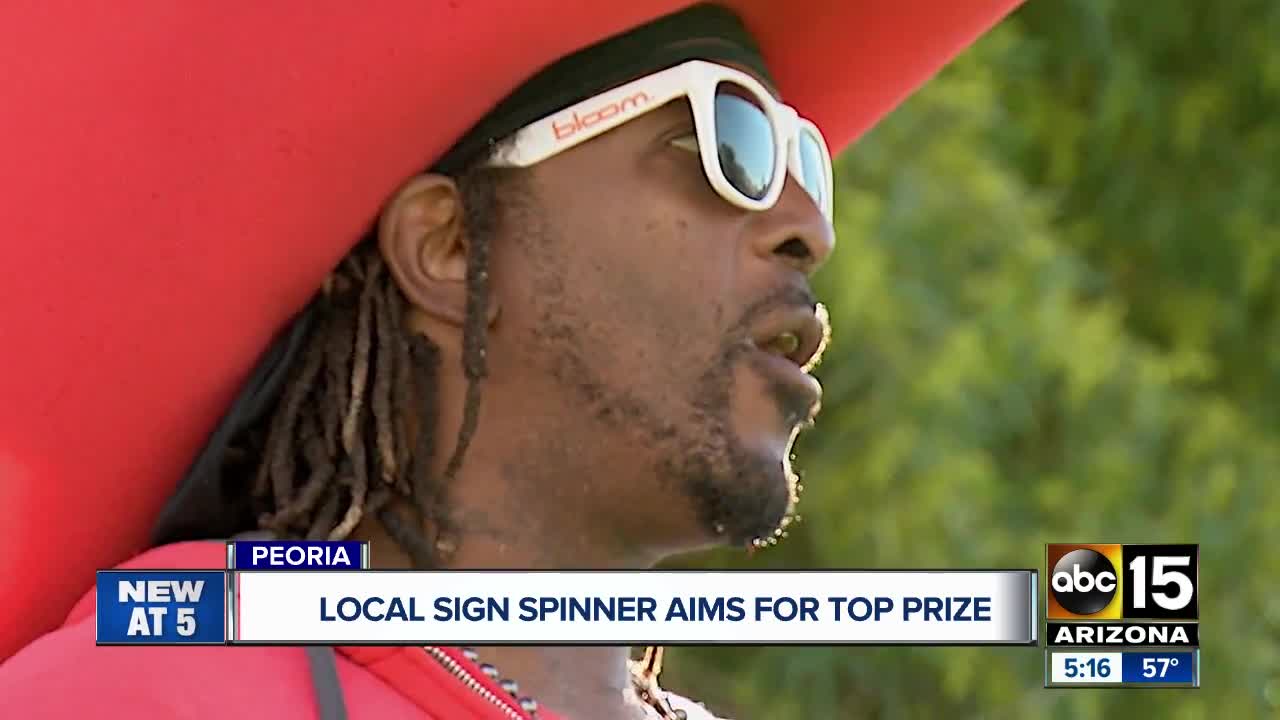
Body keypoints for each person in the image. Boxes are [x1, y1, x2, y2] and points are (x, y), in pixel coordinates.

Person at [0, 1, 1024, 718]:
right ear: (446, 247)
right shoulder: (148, 693)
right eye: (732, 141)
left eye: (808, 164)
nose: (806, 225)